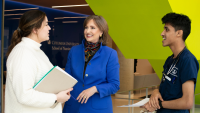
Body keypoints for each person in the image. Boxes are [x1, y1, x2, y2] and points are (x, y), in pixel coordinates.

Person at [5, 10, 72, 113]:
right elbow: (24, 95)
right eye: (46, 24)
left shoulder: (37, 51)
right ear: (35, 29)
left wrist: (60, 91)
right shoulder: (23, 53)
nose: (49, 28)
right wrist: (56, 97)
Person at [143, 13, 199, 113]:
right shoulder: (170, 59)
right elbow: (165, 85)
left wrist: (159, 105)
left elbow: (187, 102)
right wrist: (156, 92)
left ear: (179, 33)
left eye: (167, 29)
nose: (162, 33)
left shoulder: (188, 60)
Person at [63, 15, 120, 113]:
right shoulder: (74, 51)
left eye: (92, 28)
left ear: (101, 32)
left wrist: (95, 89)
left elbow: (114, 85)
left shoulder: (110, 54)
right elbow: (67, 79)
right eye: (86, 27)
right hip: (73, 107)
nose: (88, 31)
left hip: (98, 108)